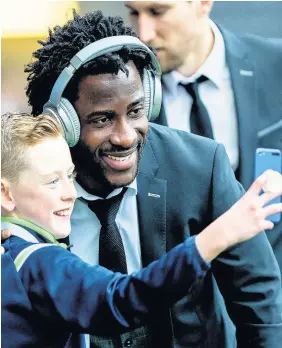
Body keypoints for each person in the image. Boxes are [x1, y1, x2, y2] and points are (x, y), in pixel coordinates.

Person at [10, 9, 281, 347]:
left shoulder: (201, 166)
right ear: (62, 123)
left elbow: (261, 303)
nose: (126, 136)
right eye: (102, 119)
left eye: (136, 111)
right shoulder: (26, 192)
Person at [125, 1, 282, 270]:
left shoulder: (274, 64)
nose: (144, 33)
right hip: (182, 293)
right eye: (134, 12)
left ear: (202, 4)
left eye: (157, 12)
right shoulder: (128, 91)